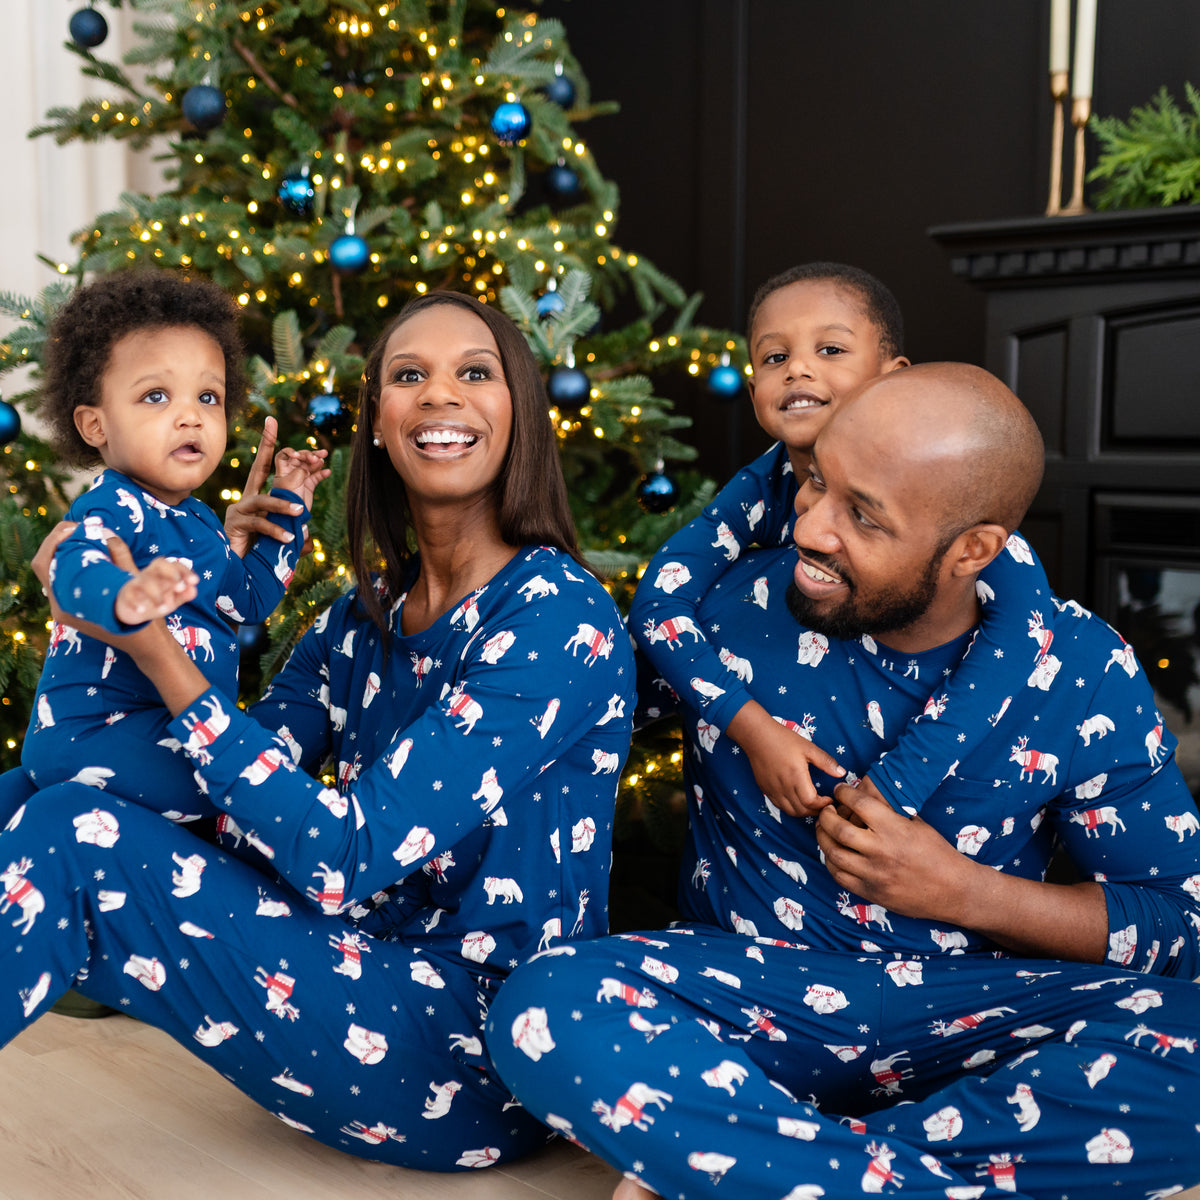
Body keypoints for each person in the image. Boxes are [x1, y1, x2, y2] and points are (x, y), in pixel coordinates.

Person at [488, 363, 1200, 1199]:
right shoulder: (724, 616)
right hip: (742, 998)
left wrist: (966, 892)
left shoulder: (1081, 668)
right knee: (544, 1006)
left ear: (972, 551)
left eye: (862, 515)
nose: (811, 529)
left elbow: (1176, 927)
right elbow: (552, 717)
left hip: (965, 1017)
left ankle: (754, 1162)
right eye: (817, 481)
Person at [2, 290, 635, 1171]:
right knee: (29, 796)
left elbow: (342, 852)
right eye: (410, 376)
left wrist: (155, 650)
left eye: (476, 374)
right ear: (378, 421)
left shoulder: (559, 617)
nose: (442, 396)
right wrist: (198, 590)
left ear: (518, 413)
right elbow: (228, 790)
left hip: (475, 1052)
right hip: (349, 967)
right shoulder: (358, 621)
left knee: (73, 837)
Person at [630, 263, 1056, 820]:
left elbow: (1022, 636)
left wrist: (895, 789)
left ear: (893, 375)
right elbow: (661, 600)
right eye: (774, 357)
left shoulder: (962, 524)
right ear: (754, 385)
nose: (798, 369)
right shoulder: (761, 486)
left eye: (830, 350)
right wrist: (753, 730)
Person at [18, 269, 326, 820]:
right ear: (95, 425)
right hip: (98, 733)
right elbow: (69, 565)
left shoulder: (203, 520)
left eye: (208, 396)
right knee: (246, 795)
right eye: (156, 396)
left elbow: (246, 600)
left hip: (166, 732)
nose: (191, 415)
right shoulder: (114, 503)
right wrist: (126, 596)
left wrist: (293, 503)